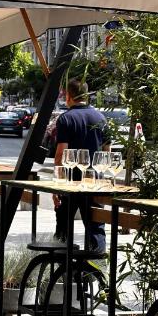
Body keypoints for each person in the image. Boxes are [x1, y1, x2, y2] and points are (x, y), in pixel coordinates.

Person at [54, 79, 110, 254]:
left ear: (68, 96)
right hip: (94, 181)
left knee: (64, 225)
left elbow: (60, 154)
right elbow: (107, 152)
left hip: (70, 182)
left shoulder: (66, 118)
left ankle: (63, 264)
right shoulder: (101, 118)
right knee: (96, 227)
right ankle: (95, 265)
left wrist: (56, 185)